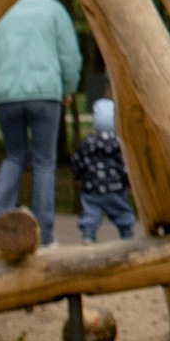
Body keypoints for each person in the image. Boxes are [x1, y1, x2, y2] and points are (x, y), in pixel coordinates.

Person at [0, 0, 85, 245]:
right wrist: (68, 87)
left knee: (14, 156)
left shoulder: (1, 9)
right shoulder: (52, 9)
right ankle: (44, 235)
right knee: (45, 161)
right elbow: (69, 54)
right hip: (46, 95)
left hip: (7, 95)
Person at [71, 96, 136, 243]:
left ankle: (88, 233)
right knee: (121, 210)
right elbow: (124, 165)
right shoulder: (118, 144)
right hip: (115, 187)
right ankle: (126, 232)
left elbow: (78, 160)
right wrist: (129, 182)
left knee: (90, 211)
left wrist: (77, 177)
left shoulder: (87, 142)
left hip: (91, 187)